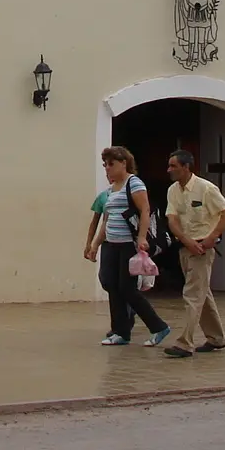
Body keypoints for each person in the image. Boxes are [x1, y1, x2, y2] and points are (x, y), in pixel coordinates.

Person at [87, 147, 170, 348]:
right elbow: (107, 220)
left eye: (111, 164)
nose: (107, 169)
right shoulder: (111, 190)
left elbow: (145, 209)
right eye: (105, 165)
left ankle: (158, 327)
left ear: (124, 163)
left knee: (127, 289)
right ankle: (120, 331)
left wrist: (142, 237)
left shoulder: (133, 183)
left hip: (128, 245)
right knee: (111, 285)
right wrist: (94, 245)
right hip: (111, 245)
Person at [162, 149, 225, 358]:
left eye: (174, 166)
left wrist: (213, 236)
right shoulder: (173, 190)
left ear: (186, 167)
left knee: (192, 294)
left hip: (202, 249)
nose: (170, 170)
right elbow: (172, 219)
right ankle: (216, 338)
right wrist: (185, 240)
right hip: (186, 247)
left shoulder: (206, 189)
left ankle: (184, 343)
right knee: (202, 292)